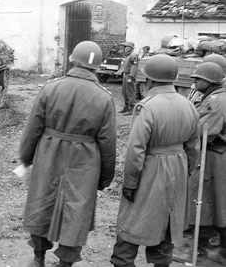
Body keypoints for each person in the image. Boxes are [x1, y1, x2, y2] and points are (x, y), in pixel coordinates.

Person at [19, 41, 117, 267]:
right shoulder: (104, 97)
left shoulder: (51, 87)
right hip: (85, 160)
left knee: (41, 202)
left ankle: (38, 258)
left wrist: (25, 159)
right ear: (97, 67)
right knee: (77, 211)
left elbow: (33, 128)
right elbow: (108, 142)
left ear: (73, 59)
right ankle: (66, 263)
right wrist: (105, 178)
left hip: (49, 154)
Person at [110, 54, 201, 267]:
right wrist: (184, 171)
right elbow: (194, 147)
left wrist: (129, 183)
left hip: (151, 169)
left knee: (132, 222)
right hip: (178, 168)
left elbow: (136, 150)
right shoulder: (188, 105)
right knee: (168, 221)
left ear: (149, 79)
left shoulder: (146, 106)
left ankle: (123, 261)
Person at [174, 62, 226, 265]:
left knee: (202, 204)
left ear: (210, 80)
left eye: (198, 78)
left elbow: (204, 129)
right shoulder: (216, 96)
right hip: (216, 154)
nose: (194, 81)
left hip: (212, 156)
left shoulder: (216, 101)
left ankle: (199, 252)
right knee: (219, 204)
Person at [119, 41, 138, 115]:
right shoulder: (127, 55)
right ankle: (126, 107)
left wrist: (131, 76)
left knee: (130, 92)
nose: (124, 48)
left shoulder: (133, 55)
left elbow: (134, 66)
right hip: (125, 74)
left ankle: (132, 108)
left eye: (126, 47)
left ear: (130, 48)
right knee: (124, 92)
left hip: (129, 75)